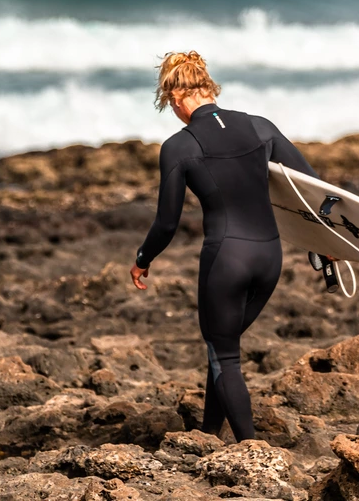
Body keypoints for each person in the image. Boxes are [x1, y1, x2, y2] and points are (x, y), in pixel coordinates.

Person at [129, 51, 319, 441]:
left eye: (170, 105)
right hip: (270, 258)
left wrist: (143, 259)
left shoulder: (179, 146)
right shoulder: (259, 126)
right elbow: (311, 186)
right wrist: (329, 241)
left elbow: (167, 222)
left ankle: (253, 450)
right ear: (208, 88)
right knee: (223, 346)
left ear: (176, 98)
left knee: (224, 354)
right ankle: (210, 432)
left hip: (226, 260)